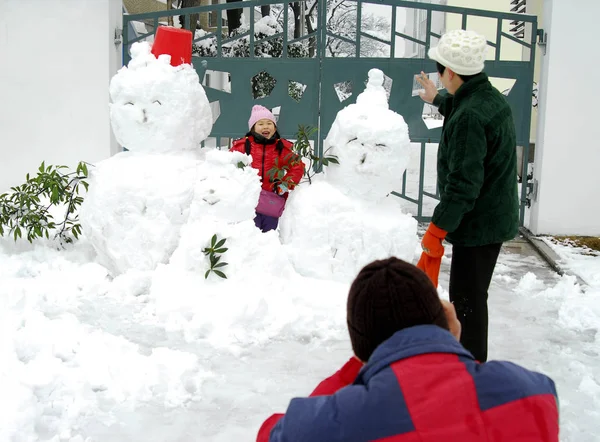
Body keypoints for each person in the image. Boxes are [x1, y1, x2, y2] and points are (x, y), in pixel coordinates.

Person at [257, 258, 559, 442]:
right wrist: (450, 346)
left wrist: (357, 365)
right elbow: (466, 392)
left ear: (362, 346)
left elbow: (273, 433)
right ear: (443, 321)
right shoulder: (534, 393)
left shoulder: (330, 424)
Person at [415, 29, 520, 362]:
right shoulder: (487, 97)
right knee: (471, 297)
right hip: (491, 217)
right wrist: (436, 99)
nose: (438, 77)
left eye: (439, 71)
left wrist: (437, 229)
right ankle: (471, 364)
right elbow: (464, 107)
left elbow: (463, 185)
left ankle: (472, 370)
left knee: (467, 302)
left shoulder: (470, 115)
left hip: (478, 225)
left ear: (450, 72)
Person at [230, 105, 304, 233]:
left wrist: (284, 185)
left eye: (269, 123)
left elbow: (297, 166)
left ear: (274, 127)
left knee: (268, 238)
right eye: (261, 124)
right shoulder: (243, 146)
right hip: (248, 202)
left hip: (271, 202)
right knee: (248, 235)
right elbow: (228, 163)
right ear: (253, 128)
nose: (266, 127)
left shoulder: (281, 148)